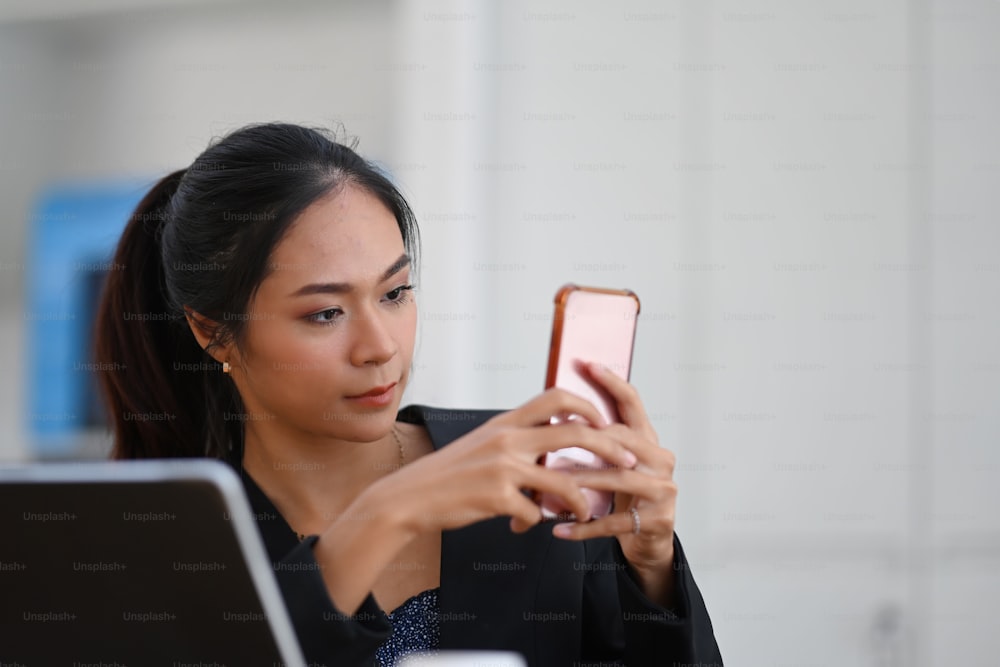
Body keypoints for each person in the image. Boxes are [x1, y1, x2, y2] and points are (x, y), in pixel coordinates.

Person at [94, 122, 723, 666]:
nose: (379, 347)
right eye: (324, 314)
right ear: (212, 333)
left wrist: (653, 571)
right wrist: (387, 513)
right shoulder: (178, 545)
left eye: (395, 294)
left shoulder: (529, 474)